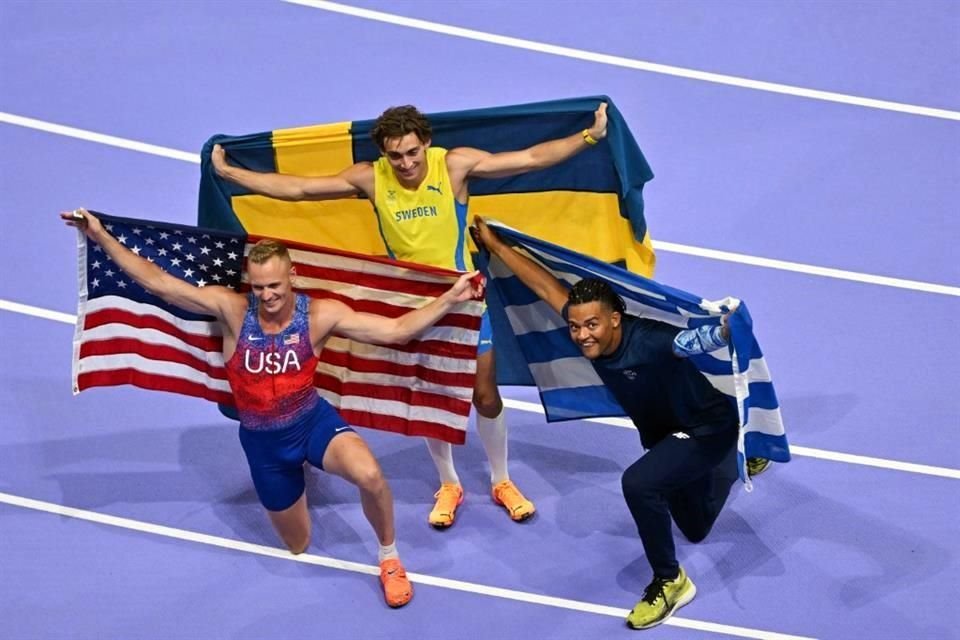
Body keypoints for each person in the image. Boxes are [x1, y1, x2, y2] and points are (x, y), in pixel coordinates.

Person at [211, 102, 610, 528]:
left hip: (464, 301)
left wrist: (589, 136)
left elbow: (530, 159)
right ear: (384, 154)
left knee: (485, 394)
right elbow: (300, 189)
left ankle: (501, 479)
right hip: (414, 306)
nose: (405, 163)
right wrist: (230, 173)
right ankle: (449, 484)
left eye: (412, 152)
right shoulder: (371, 177)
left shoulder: (454, 166)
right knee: (434, 398)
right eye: (395, 156)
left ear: (427, 144)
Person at [62, 207, 484, 609]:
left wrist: (451, 297)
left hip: (312, 423)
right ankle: (296, 474)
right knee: (298, 545)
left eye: (274, 286)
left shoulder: (320, 315)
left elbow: (396, 331)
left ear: (292, 278)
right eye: (259, 286)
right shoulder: (232, 310)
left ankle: (390, 557)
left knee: (371, 475)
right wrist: (99, 235)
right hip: (263, 445)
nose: (266, 296)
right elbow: (160, 282)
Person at [472, 216, 758, 630]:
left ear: (614, 320)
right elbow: (544, 286)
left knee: (640, 484)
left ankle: (670, 581)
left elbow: (692, 340)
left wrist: (729, 327)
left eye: (591, 325)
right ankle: (736, 459)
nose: (582, 335)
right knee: (695, 528)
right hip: (667, 436)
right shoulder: (587, 329)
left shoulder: (651, 341)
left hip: (706, 428)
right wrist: (496, 246)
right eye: (575, 326)